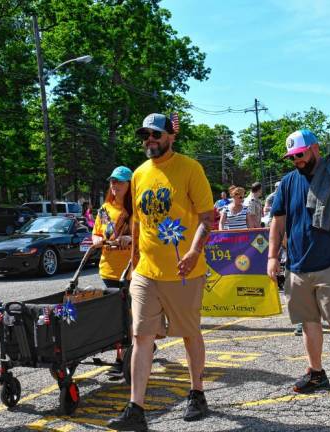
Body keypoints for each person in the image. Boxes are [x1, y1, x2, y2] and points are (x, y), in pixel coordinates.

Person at [108, 113, 214, 430]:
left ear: (170, 136)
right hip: (146, 273)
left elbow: (208, 218)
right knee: (140, 336)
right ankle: (135, 409)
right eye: (145, 136)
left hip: (184, 271)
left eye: (156, 135)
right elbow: (138, 222)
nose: (149, 140)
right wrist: (134, 261)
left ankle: (197, 392)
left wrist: (194, 251)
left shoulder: (190, 168)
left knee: (189, 333)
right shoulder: (139, 174)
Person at [268, 129, 330, 394]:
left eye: (300, 154)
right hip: (297, 265)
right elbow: (278, 221)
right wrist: (273, 256)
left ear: (314, 148)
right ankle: (316, 373)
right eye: (292, 157)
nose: (296, 160)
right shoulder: (288, 182)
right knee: (308, 321)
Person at [92, 166, 133, 378]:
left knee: (126, 317)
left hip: (131, 272)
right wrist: (97, 239)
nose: (114, 185)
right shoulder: (105, 209)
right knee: (116, 317)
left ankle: (122, 358)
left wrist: (131, 239)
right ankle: (127, 353)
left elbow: (147, 237)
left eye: (119, 181)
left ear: (129, 185)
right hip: (108, 270)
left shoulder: (136, 209)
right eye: (112, 181)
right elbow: (96, 234)